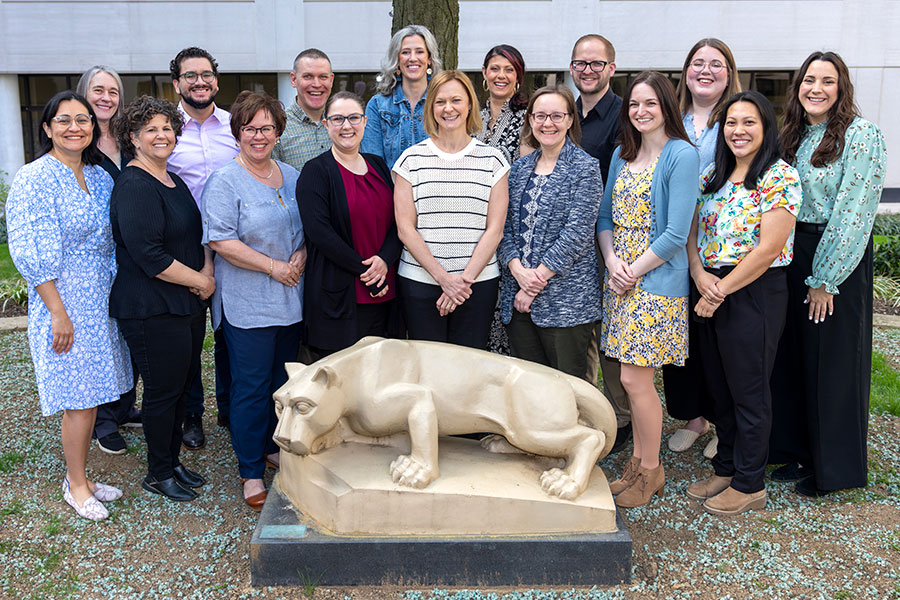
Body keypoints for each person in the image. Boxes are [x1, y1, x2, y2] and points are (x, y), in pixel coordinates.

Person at [6, 91, 133, 520]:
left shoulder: (99, 176)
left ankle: (82, 476)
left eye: (83, 120)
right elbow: (28, 249)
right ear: (47, 128)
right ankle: (75, 485)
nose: (74, 127)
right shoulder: (34, 178)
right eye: (63, 120)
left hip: (101, 297)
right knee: (78, 398)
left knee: (94, 391)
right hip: (63, 298)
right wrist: (58, 311)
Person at [770, 51, 886, 497]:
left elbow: (854, 212)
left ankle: (834, 468)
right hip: (792, 249)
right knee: (796, 358)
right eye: (809, 80)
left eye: (827, 81)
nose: (816, 88)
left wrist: (825, 278)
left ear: (842, 88)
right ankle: (800, 451)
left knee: (833, 364)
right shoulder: (794, 134)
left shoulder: (861, 135)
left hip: (835, 256)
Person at [685, 91, 801, 515]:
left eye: (749, 122)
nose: (738, 131)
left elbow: (769, 248)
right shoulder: (712, 174)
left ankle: (751, 483)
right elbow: (692, 233)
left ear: (766, 127)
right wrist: (699, 276)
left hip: (754, 290)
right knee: (718, 386)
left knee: (749, 390)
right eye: (732, 123)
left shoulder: (779, 177)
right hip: (710, 285)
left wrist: (719, 290)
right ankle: (727, 467)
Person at [596, 71, 698, 508]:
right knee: (626, 378)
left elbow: (676, 233)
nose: (640, 111)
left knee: (637, 382)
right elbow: (604, 220)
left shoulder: (681, 155)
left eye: (650, 104)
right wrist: (613, 262)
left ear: (666, 107)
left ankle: (651, 470)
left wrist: (632, 271)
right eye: (634, 104)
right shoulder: (623, 154)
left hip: (654, 285)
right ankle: (637, 464)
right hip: (619, 281)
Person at [202, 91, 305, 511]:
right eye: (250, 128)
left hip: (291, 301)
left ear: (278, 132)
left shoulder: (293, 175)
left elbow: (307, 229)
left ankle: (271, 447)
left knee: (281, 386)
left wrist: (299, 256)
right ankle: (249, 471)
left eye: (266, 128)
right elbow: (221, 240)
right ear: (238, 133)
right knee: (250, 388)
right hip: (247, 303)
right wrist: (273, 267)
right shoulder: (225, 180)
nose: (258, 136)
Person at [110, 95, 214, 502]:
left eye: (167, 127)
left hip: (183, 303)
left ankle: (171, 462)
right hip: (151, 307)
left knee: (181, 386)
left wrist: (203, 272)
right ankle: (157, 473)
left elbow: (193, 234)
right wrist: (202, 282)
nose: (161, 135)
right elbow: (149, 256)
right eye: (150, 129)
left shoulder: (172, 179)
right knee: (161, 391)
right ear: (133, 137)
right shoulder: (134, 185)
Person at [393, 70, 509, 349]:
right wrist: (444, 279)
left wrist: (462, 282)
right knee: (428, 369)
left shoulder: (493, 160)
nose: (448, 108)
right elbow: (405, 229)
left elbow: (495, 230)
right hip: (420, 284)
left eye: (456, 100)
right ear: (431, 108)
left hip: (477, 286)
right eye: (440, 102)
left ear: (469, 104)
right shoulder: (410, 160)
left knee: (469, 373)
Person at [665, 38, 742, 457]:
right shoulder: (670, 119)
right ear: (686, 71)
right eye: (698, 63)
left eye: (716, 64)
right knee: (680, 336)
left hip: (716, 247)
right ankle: (692, 418)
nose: (705, 70)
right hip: (668, 245)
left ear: (729, 72)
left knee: (716, 339)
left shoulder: (737, 119)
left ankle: (721, 422)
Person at [498, 85, 602, 378]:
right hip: (517, 298)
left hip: (566, 302)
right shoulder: (518, 170)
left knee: (567, 388)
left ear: (570, 120)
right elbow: (504, 227)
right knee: (530, 388)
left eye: (557, 116)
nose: (548, 123)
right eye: (540, 115)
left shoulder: (585, 168)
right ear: (530, 120)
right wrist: (518, 273)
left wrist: (534, 282)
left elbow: (577, 234)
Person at [167, 46, 239, 449]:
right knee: (190, 337)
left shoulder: (234, 127)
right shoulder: (165, 129)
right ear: (176, 82)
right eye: (190, 75)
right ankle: (192, 414)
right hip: (184, 249)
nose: (199, 81)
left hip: (232, 246)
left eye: (206, 74)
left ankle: (229, 407)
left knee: (231, 330)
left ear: (216, 80)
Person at [297, 91, 400, 355]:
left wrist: (385, 261)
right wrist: (370, 274)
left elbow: (398, 221)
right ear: (325, 124)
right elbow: (320, 234)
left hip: (386, 292)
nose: (346, 126)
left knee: (382, 376)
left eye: (354, 118)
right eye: (338, 119)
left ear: (365, 121)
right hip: (340, 295)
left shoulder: (378, 165)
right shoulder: (316, 171)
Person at [75, 65, 142, 454]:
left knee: (127, 333)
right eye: (98, 90)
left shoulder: (127, 141)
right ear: (85, 93)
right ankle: (102, 420)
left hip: (128, 255)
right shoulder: (78, 143)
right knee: (98, 338)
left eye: (113, 91)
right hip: (93, 258)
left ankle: (123, 405)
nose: (106, 98)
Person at [569, 33, 630, 453]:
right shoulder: (564, 114)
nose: (587, 70)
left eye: (596, 63)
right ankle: (586, 414)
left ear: (611, 68)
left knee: (612, 336)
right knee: (581, 332)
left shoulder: (626, 115)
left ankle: (622, 420)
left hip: (613, 240)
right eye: (580, 63)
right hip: (570, 243)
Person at [477, 44, 530, 357]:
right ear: (484, 74)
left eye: (509, 70)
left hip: (510, 228)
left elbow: (524, 178)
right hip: (472, 229)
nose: (501, 75)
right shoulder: (472, 117)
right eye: (495, 68)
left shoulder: (526, 120)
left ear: (518, 77)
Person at [362, 24, 443, 168]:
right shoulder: (377, 106)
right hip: (390, 189)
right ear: (397, 59)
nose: (412, 58)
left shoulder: (443, 102)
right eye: (405, 52)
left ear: (429, 58)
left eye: (419, 52)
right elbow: (374, 166)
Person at [272, 48, 334, 172]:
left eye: (323, 77)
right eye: (308, 76)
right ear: (294, 79)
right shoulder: (277, 128)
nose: (316, 84)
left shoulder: (343, 124)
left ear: (331, 80)